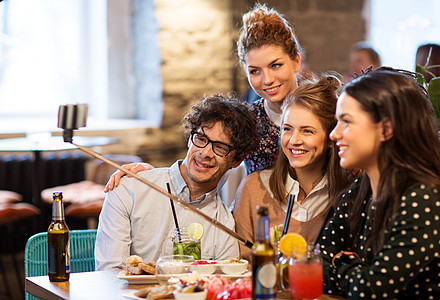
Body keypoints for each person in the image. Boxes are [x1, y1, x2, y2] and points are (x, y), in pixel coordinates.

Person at [103, 3, 307, 195]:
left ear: (296, 61)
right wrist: (150, 174)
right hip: (261, 221)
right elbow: (200, 166)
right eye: (255, 71)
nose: (267, 80)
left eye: (276, 65)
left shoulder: (323, 110)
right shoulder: (248, 120)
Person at [321, 67, 440, 298]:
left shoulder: (421, 198)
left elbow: (370, 291)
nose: (334, 134)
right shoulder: (362, 188)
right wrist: (355, 270)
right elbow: (317, 262)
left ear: (386, 129)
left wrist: (341, 262)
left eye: (346, 122)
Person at [95, 94, 259, 270]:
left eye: (220, 147)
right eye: (201, 139)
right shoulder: (130, 189)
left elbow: (219, 287)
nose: (205, 153)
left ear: (236, 160)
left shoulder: (225, 226)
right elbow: (109, 273)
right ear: (190, 139)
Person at [233, 73, 353, 260]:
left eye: (307, 131)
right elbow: (241, 267)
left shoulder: (349, 194)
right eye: (288, 129)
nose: (294, 141)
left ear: (331, 138)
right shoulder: (252, 189)